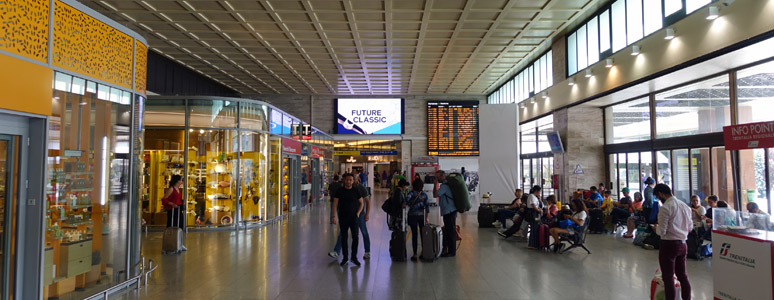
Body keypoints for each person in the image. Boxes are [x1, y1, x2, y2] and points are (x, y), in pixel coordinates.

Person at [653, 184, 692, 300]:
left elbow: (662, 231)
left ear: (660, 194)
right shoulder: (685, 206)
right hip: (683, 244)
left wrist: (656, 228)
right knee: (683, 276)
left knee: (668, 277)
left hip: (668, 245)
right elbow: (690, 228)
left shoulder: (665, 208)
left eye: (657, 196)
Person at [329, 174, 372, 259]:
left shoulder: (361, 188)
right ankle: (337, 251)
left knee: (364, 232)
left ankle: (367, 251)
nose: (350, 181)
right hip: (347, 215)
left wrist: (366, 214)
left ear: (356, 179)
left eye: (352, 179)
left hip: (359, 215)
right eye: (348, 179)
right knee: (343, 233)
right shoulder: (343, 188)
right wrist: (334, 215)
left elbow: (366, 202)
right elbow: (336, 202)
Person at [434, 170, 457, 257]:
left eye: (438, 177)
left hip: (449, 211)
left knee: (450, 231)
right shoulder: (447, 185)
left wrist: (434, 184)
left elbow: (435, 195)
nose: (437, 179)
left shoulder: (444, 186)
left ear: (442, 176)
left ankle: (452, 252)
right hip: (450, 211)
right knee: (449, 230)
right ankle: (449, 250)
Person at [406, 179, 429, 261]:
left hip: (412, 216)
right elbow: (427, 207)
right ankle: (424, 252)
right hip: (421, 216)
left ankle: (415, 254)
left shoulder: (411, 194)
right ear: (422, 186)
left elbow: (406, 202)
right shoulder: (424, 195)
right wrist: (427, 217)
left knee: (414, 235)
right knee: (423, 235)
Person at [161, 175, 187, 251]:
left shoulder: (179, 189)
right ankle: (171, 243)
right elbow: (164, 199)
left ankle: (180, 243)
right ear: (177, 181)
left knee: (180, 226)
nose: (182, 181)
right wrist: (171, 204)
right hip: (173, 210)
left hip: (179, 209)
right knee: (172, 226)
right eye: (180, 180)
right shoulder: (171, 189)